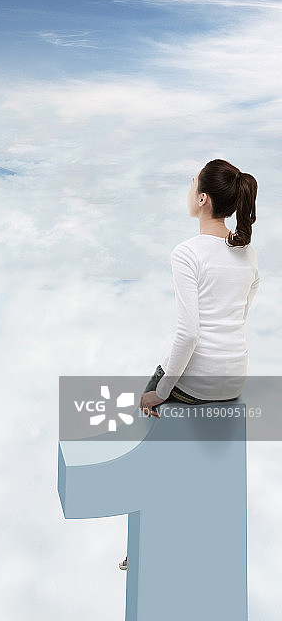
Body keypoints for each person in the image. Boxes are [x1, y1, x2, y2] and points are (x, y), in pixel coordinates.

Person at [119, 158, 260, 571]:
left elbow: (188, 335)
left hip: (198, 379)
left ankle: (145, 538)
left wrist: (159, 392)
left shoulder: (187, 253)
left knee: (146, 405)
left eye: (191, 185)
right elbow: (243, 309)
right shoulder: (246, 251)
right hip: (235, 376)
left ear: (202, 200)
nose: (188, 192)